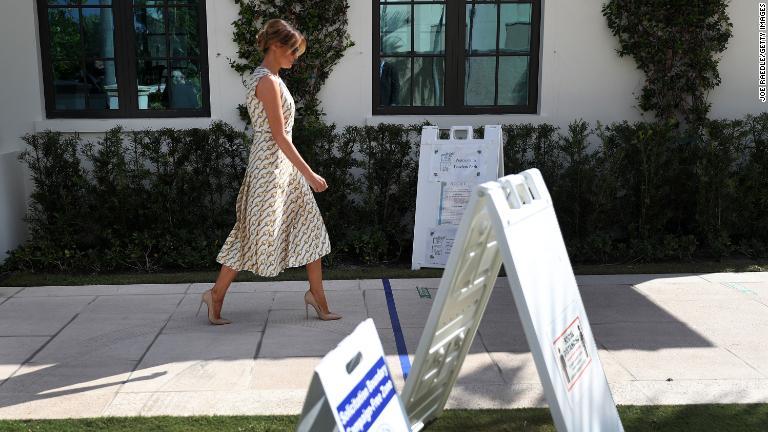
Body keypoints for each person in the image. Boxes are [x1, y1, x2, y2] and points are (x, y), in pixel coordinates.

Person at [201, 19, 341, 325]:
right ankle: (215, 295)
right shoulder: (266, 81)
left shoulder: (273, 79)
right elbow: (279, 136)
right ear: (276, 46)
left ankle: (317, 297)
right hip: (269, 171)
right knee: (250, 233)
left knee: (311, 229)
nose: (295, 57)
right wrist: (310, 174)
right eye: (292, 51)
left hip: (282, 168)